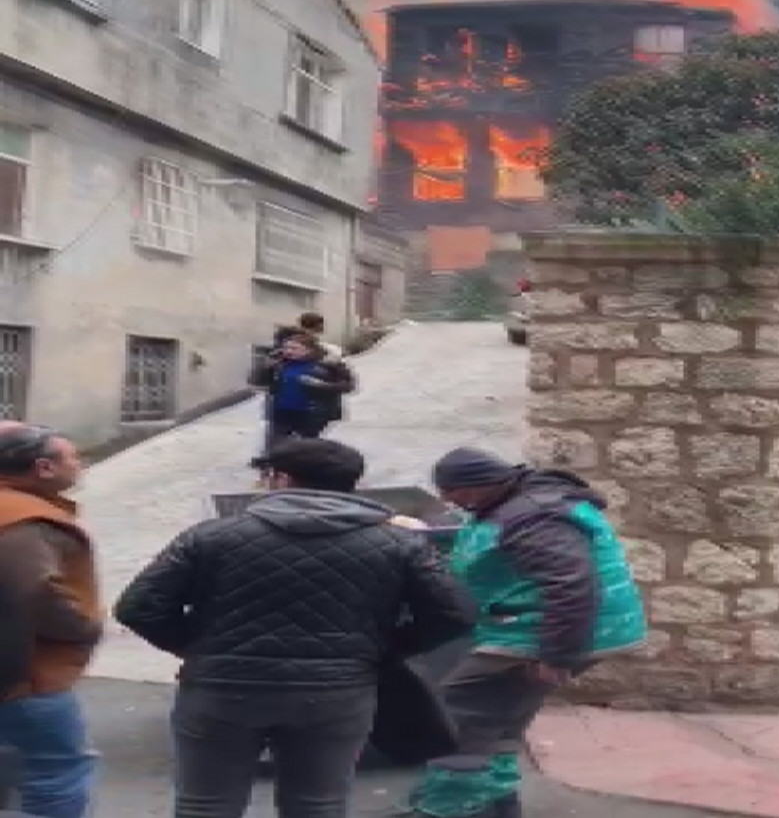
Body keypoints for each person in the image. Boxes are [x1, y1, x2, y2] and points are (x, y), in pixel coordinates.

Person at [114, 438, 474, 818]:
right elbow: (455, 613)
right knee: (317, 804)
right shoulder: (399, 544)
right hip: (337, 691)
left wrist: (198, 647)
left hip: (223, 688)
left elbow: (139, 607)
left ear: (281, 479)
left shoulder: (210, 536)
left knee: (207, 804)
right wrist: (381, 650)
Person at [406, 448, 647, 818]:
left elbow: (570, 584)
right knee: (503, 713)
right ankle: (497, 801)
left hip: (543, 631)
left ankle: (452, 805)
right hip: (565, 626)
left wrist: (557, 655)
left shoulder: (534, 516)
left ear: (479, 484)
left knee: (457, 710)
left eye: (451, 490)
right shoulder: (518, 503)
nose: (447, 499)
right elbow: (492, 546)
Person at [0, 422, 102, 818]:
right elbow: (36, 593)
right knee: (58, 772)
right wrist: (83, 626)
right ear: (43, 467)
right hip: (27, 673)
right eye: (74, 457)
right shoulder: (22, 520)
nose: (80, 464)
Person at [250, 332, 354, 455]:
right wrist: (265, 367)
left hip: (311, 414)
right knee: (273, 448)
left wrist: (321, 385)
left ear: (308, 350)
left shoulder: (329, 364)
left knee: (303, 449)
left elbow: (348, 386)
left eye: (294, 348)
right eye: (286, 348)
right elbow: (256, 381)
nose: (288, 351)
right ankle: (273, 468)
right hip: (281, 412)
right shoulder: (280, 363)